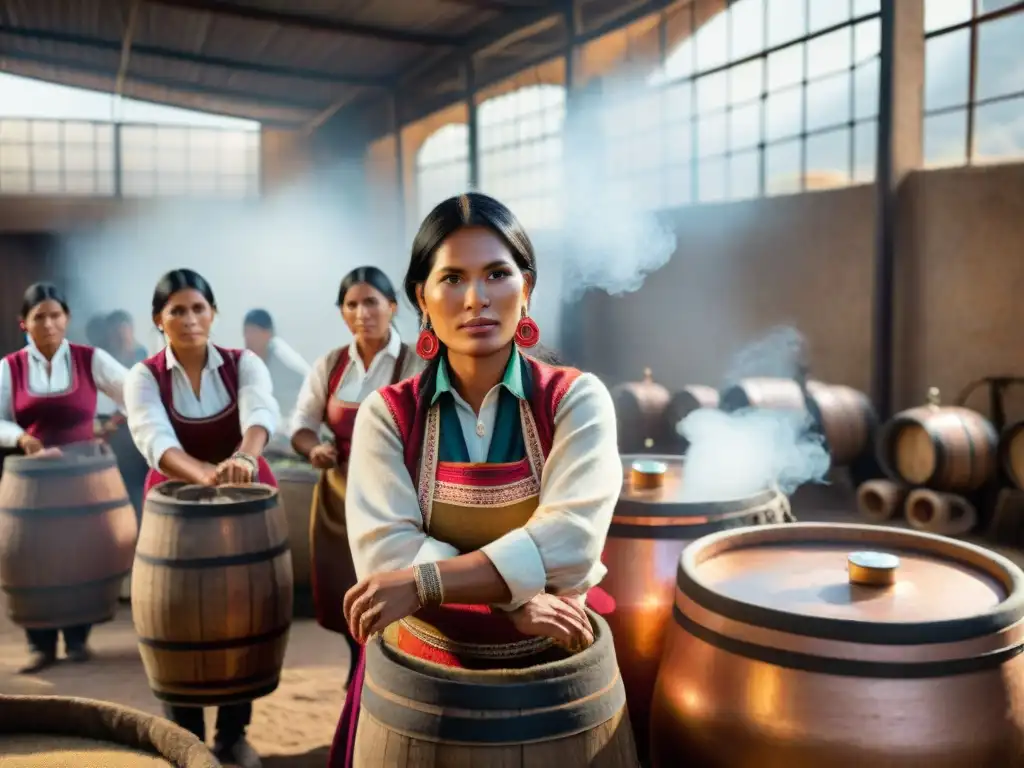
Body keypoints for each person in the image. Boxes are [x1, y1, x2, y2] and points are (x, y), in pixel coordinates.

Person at [326, 193, 621, 767]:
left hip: (554, 667)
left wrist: (423, 583)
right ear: (422, 297)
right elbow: (387, 553)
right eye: (452, 278)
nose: (476, 299)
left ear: (527, 289)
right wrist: (513, 605)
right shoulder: (386, 415)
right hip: (422, 677)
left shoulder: (575, 400)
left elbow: (570, 542)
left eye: (497, 274)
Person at [124, 268, 277, 768]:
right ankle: (186, 738)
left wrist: (246, 460)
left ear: (213, 314)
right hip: (178, 513)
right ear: (158, 320)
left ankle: (233, 735)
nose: (190, 320)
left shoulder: (244, 363)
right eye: (177, 311)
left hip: (244, 504)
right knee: (178, 613)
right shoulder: (143, 376)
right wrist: (205, 474)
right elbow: (154, 438)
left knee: (243, 610)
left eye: (198, 309)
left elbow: (260, 414)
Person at [289, 266, 424, 684]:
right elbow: (302, 425)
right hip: (339, 495)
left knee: (391, 581)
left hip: (396, 494)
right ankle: (356, 661)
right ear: (342, 312)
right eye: (352, 304)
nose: (362, 312)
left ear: (392, 307)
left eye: (371, 302)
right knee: (347, 585)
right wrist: (315, 449)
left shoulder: (417, 360)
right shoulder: (330, 365)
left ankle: (388, 666)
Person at [0, 283, 130, 673]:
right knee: (33, 558)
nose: (49, 323)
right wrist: (20, 437)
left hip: (82, 478)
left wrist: (113, 421)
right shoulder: (10, 367)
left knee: (80, 555)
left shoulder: (91, 359)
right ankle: (40, 644)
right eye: (40, 317)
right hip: (32, 482)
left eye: (56, 315)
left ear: (66, 319)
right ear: (24, 323)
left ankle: (78, 639)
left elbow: (136, 393)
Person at [242, 308, 310, 437]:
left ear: (268, 334)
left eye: (253, 332)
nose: (248, 338)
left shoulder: (286, 364)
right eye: (246, 332)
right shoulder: (249, 361)